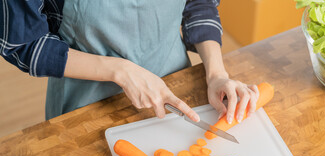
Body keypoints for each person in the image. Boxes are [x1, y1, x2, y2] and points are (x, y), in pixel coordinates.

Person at [0, 0, 259, 124]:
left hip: (175, 96)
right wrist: (120, 70)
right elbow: (24, 43)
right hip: (85, 108)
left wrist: (216, 74)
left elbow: (198, 4)